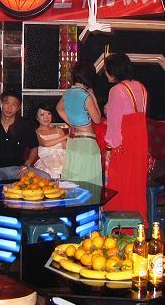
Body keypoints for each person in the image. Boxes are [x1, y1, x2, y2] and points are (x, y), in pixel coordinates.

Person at [102, 53, 149, 224]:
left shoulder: (116, 90)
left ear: (113, 70)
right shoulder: (141, 87)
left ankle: (119, 225)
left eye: (107, 69)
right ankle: (137, 224)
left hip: (123, 144)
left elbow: (114, 124)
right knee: (136, 184)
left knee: (119, 184)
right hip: (140, 143)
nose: (105, 73)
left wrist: (109, 148)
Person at [0, 89, 49, 181]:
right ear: (1, 104)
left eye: (14, 104)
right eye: (7, 103)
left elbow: (34, 148)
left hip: (19, 169)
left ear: (18, 108)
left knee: (46, 177)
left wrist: (27, 164)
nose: (9, 108)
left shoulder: (25, 125)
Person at [57, 61, 103, 186]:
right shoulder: (86, 96)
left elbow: (59, 108)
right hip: (87, 142)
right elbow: (97, 119)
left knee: (74, 178)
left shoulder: (67, 93)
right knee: (88, 180)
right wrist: (93, 97)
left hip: (73, 141)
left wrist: (72, 123)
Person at [33, 103, 68, 180]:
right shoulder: (36, 132)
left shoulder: (59, 130)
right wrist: (65, 136)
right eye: (42, 114)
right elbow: (45, 143)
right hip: (47, 161)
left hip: (63, 158)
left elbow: (65, 147)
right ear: (37, 118)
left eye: (48, 113)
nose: (46, 117)